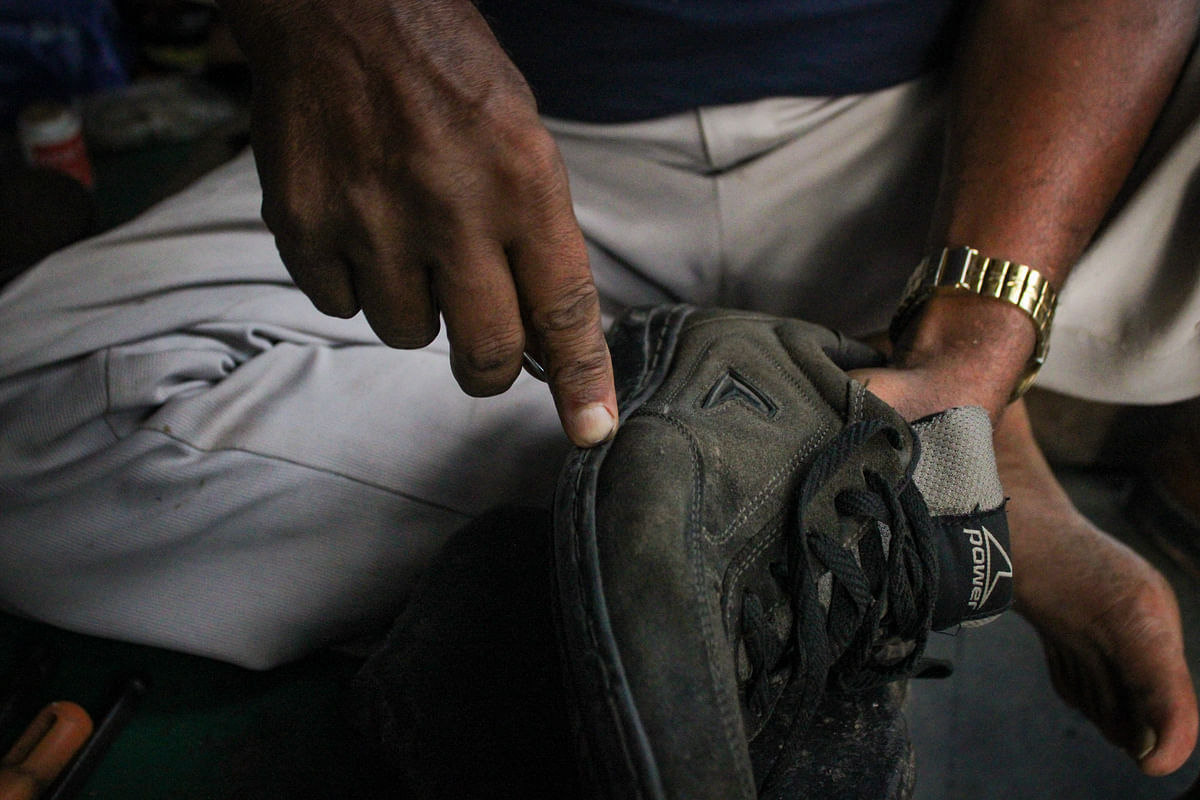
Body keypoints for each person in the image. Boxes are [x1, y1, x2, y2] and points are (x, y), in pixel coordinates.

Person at [1, 0, 1198, 779]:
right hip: (499, 145)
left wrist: (986, 324)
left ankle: (948, 427)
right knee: (28, 410)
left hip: (942, 144)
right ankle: (862, 493)